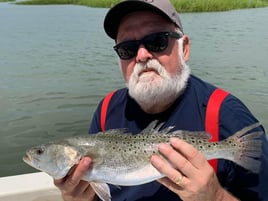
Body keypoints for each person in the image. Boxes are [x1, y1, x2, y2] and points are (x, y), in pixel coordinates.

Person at [54, 0, 268, 200]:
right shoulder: (106, 109)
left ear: (184, 48)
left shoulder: (228, 115)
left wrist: (216, 197)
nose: (142, 55)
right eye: (127, 48)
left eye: (157, 41)